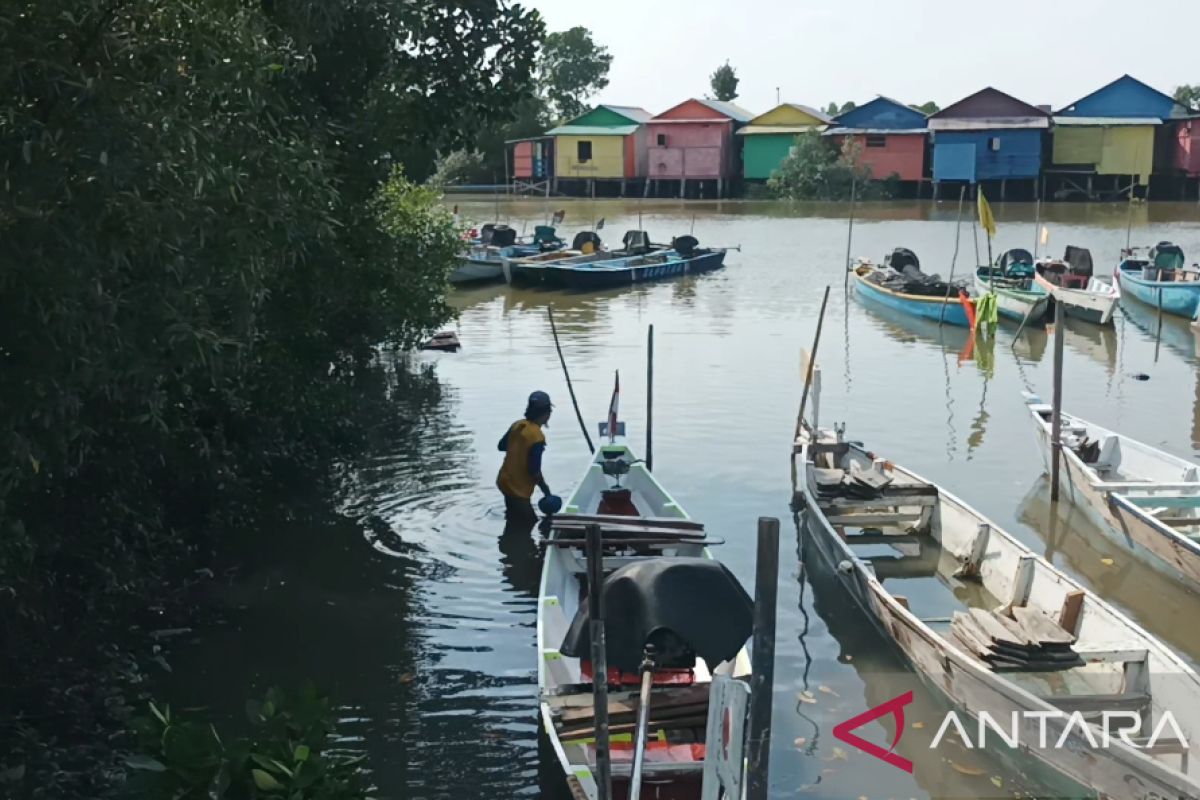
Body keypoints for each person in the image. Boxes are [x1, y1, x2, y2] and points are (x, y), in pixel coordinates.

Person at [497, 390, 553, 528]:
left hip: (504, 481)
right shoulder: (537, 437)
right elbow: (534, 470)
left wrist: (519, 447)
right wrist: (546, 492)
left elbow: (502, 446)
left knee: (513, 518)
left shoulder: (518, 425)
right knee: (530, 523)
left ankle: (511, 543)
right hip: (518, 488)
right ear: (547, 414)